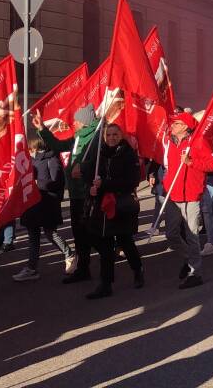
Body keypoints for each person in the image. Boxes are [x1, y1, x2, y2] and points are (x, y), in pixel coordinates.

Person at [33, 104, 99, 284]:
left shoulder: (95, 137)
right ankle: (83, 269)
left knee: (90, 232)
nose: (74, 123)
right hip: (76, 193)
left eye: (76, 120)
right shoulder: (78, 137)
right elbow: (58, 145)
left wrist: (83, 168)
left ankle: (114, 257)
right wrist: (42, 129)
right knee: (79, 233)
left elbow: (96, 161)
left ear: (84, 123)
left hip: (88, 193)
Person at [81, 123, 144, 298]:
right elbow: (90, 178)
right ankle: (106, 284)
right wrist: (91, 189)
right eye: (108, 134)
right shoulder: (99, 153)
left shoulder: (128, 154)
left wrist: (105, 185)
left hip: (120, 205)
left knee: (125, 241)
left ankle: (138, 270)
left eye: (115, 134)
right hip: (102, 207)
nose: (111, 138)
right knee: (105, 245)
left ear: (121, 135)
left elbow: (132, 181)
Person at [163, 112, 213, 289]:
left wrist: (191, 162)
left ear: (186, 127)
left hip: (191, 196)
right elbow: (169, 167)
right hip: (173, 194)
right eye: (173, 123)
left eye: (177, 124)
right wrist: (166, 183)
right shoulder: (171, 142)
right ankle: (189, 258)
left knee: (192, 236)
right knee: (171, 234)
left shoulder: (197, 142)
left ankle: (196, 273)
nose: (173, 126)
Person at [12, 139, 76, 282]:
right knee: (33, 238)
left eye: (31, 148)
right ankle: (31, 268)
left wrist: (36, 183)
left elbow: (57, 182)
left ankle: (70, 254)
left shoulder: (52, 159)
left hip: (47, 204)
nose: (30, 151)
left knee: (50, 234)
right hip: (32, 206)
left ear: (37, 148)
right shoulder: (29, 161)